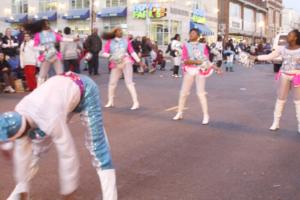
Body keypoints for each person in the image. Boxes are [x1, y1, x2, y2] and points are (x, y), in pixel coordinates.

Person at [0, 72, 117, 200]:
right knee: (34, 150)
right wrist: (22, 187)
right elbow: (22, 152)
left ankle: (110, 197)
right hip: (60, 97)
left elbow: (67, 153)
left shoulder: (49, 119)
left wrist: (68, 191)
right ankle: (18, 194)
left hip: (85, 90)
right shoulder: (20, 110)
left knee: (97, 146)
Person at [253, 29, 300, 133]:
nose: (288, 36)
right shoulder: (282, 48)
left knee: (298, 102)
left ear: (296, 37)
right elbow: (269, 56)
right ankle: (276, 122)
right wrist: (256, 57)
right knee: (280, 99)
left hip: (297, 77)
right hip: (284, 75)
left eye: (290, 35)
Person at [173, 28, 222, 124]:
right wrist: (196, 61)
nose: (191, 34)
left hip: (200, 71)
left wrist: (216, 68)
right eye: (190, 33)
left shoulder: (203, 46)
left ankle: (205, 115)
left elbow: (206, 61)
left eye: (194, 33)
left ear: (198, 36)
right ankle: (179, 112)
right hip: (189, 70)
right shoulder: (185, 45)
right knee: (183, 93)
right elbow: (185, 60)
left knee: (201, 93)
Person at [24, 19, 79, 86]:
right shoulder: (38, 35)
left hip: (55, 55)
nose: (48, 25)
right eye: (46, 24)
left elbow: (61, 39)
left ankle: (62, 89)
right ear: (42, 26)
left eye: (48, 23)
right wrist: (43, 48)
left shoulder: (53, 33)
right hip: (46, 57)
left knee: (60, 74)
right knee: (42, 76)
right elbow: (35, 46)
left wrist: (73, 40)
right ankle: (38, 90)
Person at [102, 28, 145, 110]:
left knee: (129, 82)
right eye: (119, 31)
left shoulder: (126, 41)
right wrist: (112, 56)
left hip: (126, 61)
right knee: (112, 83)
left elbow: (132, 52)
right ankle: (110, 101)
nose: (121, 32)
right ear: (115, 33)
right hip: (115, 63)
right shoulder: (110, 42)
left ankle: (136, 102)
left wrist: (139, 61)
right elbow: (104, 53)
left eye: (121, 31)